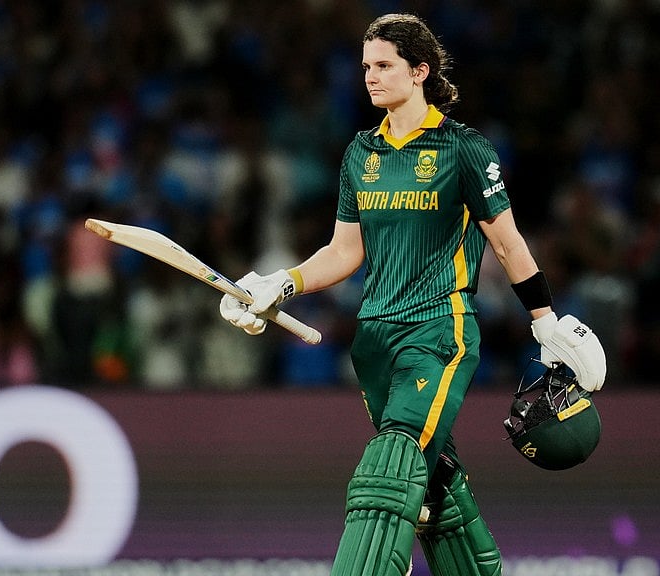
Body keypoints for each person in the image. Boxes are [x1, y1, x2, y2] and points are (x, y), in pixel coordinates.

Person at [219, 13, 607, 576]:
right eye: (366, 67)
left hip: (439, 331)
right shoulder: (360, 153)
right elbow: (344, 252)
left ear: (419, 71)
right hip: (373, 340)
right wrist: (281, 282)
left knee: (391, 464)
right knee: (433, 483)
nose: (371, 78)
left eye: (384, 66)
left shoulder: (464, 149)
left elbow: (507, 242)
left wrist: (544, 319)